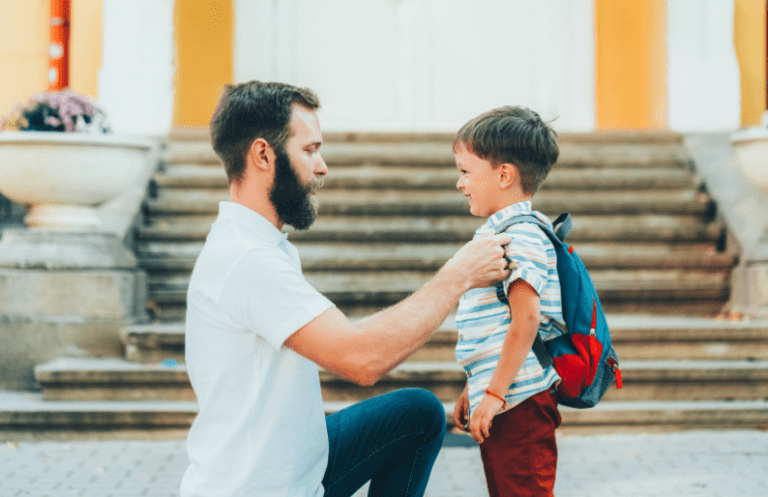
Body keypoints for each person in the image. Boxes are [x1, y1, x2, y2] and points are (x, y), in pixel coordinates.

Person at [179, 80, 512, 497]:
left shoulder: (260, 245)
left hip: (298, 465)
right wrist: (458, 275)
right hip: (261, 488)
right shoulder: (248, 261)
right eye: (309, 150)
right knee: (416, 408)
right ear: (263, 154)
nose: (322, 167)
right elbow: (362, 359)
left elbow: (350, 340)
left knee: (418, 413)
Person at [450, 106, 564, 497]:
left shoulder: (522, 238)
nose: (460, 183)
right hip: (505, 399)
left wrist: (494, 394)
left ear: (504, 175)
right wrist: (476, 388)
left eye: (466, 171)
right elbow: (497, 328)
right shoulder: (500, 234)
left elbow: (525, 321)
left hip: (520, 403)